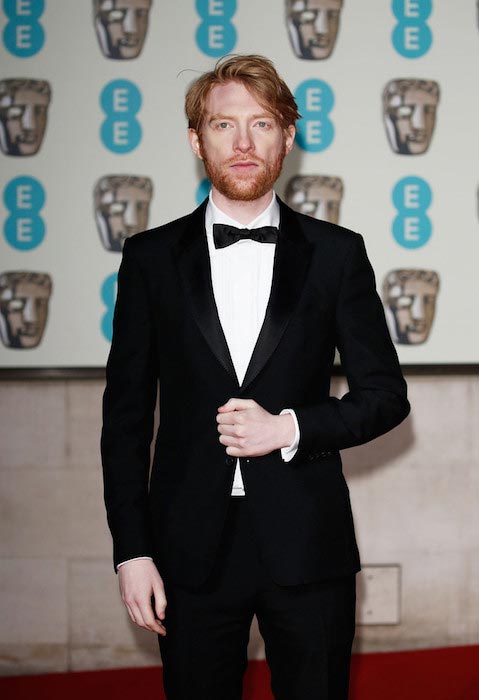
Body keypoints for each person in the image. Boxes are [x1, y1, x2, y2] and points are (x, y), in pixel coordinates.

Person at [101, 54, 410, 700]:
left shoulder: (336, 254)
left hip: (308, 545)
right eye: (222, 125)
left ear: (287, 136)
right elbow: (125, 420)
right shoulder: (150, 260)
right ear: (195, 139)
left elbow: (384, 397)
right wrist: (132, 552)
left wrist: (290, 426)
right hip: (186, 552)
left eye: (261, 124)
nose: (242, 144)